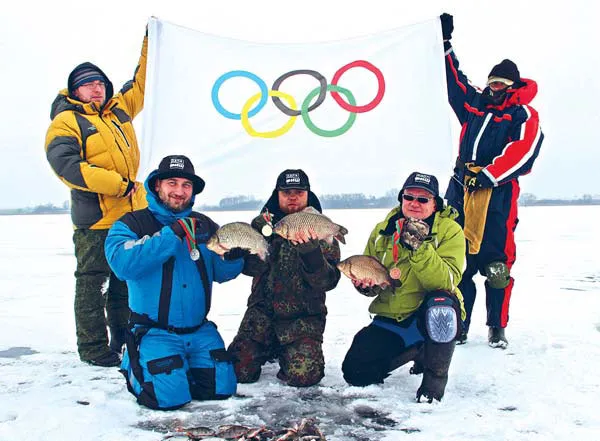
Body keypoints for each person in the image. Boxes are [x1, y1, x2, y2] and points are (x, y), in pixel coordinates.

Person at [104, 155, 244, 410]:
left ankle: (181, 365)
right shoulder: (131, 224)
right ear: (157, 185)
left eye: (186, 185)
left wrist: (234, 259)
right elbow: (122, 265)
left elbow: (221, 273)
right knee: (167, 399)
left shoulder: (206, 226)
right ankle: (134, 362)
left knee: (222, 389)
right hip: (155, 331)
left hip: (199, 331)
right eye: (172, 183)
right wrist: (173, 234)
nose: (179, 192)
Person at [44, 32, 148, 367]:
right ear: (75, 91)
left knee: (123, 285)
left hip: (130, 217)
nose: (97, 89)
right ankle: (91, 348)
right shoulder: (67, 120)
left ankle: (121, 341)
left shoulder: (119, 111)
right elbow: (66, 166)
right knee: (93, 286)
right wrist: (117, 185)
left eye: (100, 83)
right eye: (88, 85)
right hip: (97, 220)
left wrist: (152, 41)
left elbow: (143, 82)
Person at [440, 13, 544, 348]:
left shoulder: (523, 115)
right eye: (492, 82)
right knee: (459, 261)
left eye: (500, 83)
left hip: (498, 196)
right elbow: (453, 81)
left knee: (497, 266)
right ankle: (462, 325)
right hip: (461, 189)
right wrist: (444, 44)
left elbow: (524, 150)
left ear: (512, 86)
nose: (494, 87)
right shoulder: (474, 104)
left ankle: (496, 327)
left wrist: (489, 174)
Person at [342, 172, 466, 403]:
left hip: (429, 316)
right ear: (401, 199)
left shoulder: (450, 231)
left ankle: (434, 381)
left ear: (435, 204)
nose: (414, 203)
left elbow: (447, 281)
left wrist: (419, 248)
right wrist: (366, 286)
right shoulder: (383, 230)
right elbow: (372, 271)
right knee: (356, 373)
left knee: (441, 304)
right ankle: (417, 351)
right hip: (393, 315)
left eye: (423, 199)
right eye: (409, 197)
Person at [228, 169, 341, 387]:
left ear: (308, 194)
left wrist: (311, 254)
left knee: (305, 377)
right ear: (276, 194)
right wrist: (238, 256)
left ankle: (288, 351)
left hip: (303, 318)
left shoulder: (322, 229)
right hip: (262, 313)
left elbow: (329, 282)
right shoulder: (262, 226)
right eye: (286, 191)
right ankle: (269, 347)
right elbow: (250, 270)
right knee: (237, 371)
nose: (292, 196)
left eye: (299, 192)